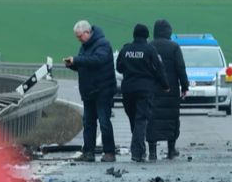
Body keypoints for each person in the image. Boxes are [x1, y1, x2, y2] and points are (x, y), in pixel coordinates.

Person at [64, 20, 117, 163]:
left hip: (103, 90)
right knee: (88, 123)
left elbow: (96, 61)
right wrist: (73, 65)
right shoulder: (85, 46)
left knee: (104, 122)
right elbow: (84, 64)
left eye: (80, 36)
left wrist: (77, 60)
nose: (79, 39)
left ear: (88, 32)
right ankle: (88, 152)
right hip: (88, 91)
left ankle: (109, 152)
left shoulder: (103, 44)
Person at [116, 24, 170, 163]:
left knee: (134, 119)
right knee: (141, 120)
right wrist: (165, 85)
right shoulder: (150, 50)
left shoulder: (125, 49)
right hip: (145, 90)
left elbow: (119, 68)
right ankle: (137, 152)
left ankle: (138, 148)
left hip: (127, 90)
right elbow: (159, 69)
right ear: (146, 36)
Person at [146, 19, 189, 161]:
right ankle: (171, 150)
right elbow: (181, 68)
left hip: (152, 89)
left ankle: (152, 152)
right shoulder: (174, 47)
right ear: (168, 31)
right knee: (172, 119)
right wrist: (185, 86)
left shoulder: (149, 46)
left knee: (152, 119)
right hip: (171, 90)